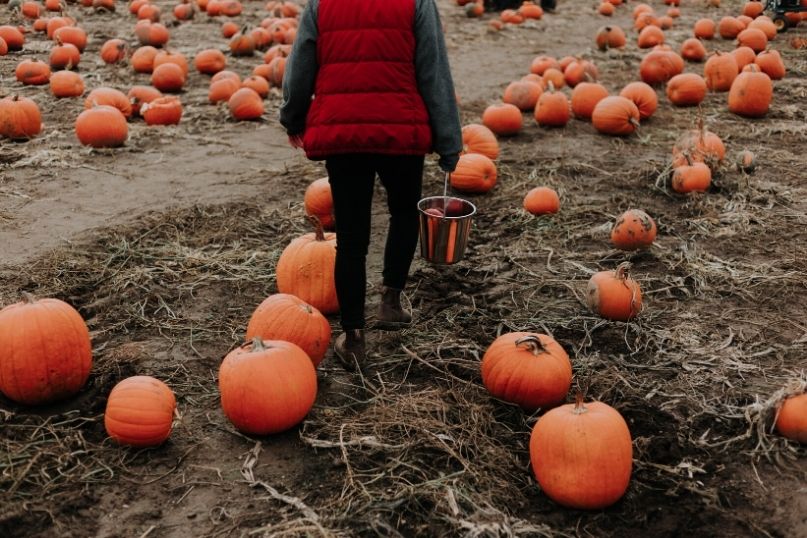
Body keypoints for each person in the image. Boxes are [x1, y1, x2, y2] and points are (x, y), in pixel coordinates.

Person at [279, 0, 463, 371]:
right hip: (400, 129)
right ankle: (391, 301)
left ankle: (354, 336)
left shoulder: (321, 5)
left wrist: (292, 117)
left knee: (351, 237)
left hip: (343, 132)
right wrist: (449, 142)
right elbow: (433, 70)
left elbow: (300, 65)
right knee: (403, 212)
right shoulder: (417, 3)